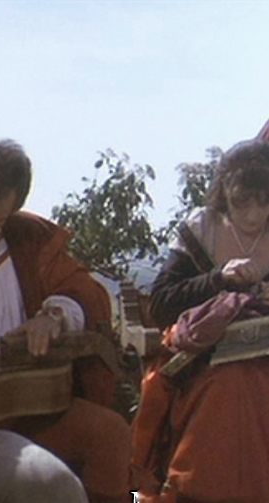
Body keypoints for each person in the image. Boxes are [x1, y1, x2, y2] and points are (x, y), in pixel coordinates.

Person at [0, 139, 131, 503]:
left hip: (29, 406)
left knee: (109, 432)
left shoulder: (28, 239)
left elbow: (84, 292)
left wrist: (53, 316)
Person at [132, 138, 269, 502]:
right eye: (243, 202)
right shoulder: (203, 228)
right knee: (233, 386)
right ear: (225, 194)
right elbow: (162, 304)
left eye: (264, 202)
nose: (253, 215)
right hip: (201, 359)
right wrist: (218, 279)